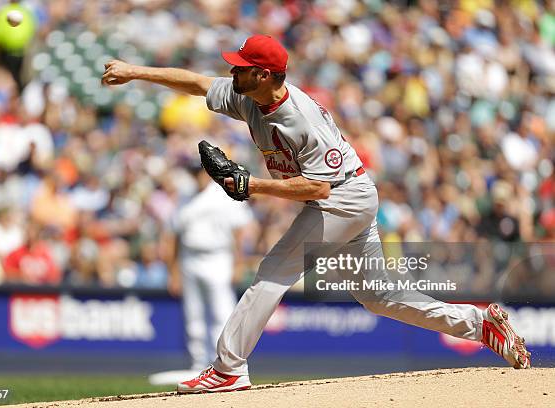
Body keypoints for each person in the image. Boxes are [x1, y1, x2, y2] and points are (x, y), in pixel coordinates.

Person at [102, 34, 531, 394]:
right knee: (378, 296)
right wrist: (136, 72)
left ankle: (229, 368)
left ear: (264, 74)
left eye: (241, 66)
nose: (232, 71)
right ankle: (481, 324)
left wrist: (252, 186)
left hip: (345, 197)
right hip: (340, 198)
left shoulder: (299, 117)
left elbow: (319, 187)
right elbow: (196, 83)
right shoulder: (246, 96)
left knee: (274, 270)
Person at [148, 163, 253, 385]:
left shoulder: (223, 194)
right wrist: (173, 271)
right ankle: (197, 364)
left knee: (221, 312)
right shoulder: (185, 197)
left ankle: (223, 364)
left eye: (201, 172)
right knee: (193, 314)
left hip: (218, 256)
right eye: (195, 172)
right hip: (189, 258)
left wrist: (239, 263)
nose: (198, 176)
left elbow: (239, 231)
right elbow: (173, 235)